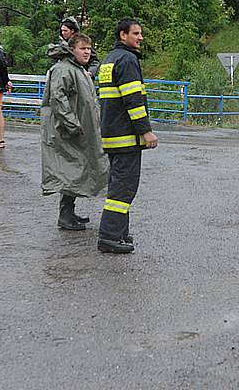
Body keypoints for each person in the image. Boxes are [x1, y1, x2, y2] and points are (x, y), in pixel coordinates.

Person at [97, 18, 158, 254]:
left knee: (118, 185)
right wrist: (146, 131)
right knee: (123, 189)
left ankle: (120, 233)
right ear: (123, 35)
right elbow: (133, 100)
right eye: (136, 33)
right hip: (126, 136)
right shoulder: (128, 60)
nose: (140, 37)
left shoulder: (109, 60)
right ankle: (109, 237)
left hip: (112, 134)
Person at [41, 34, 108, 231]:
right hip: (68, 131)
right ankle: (65, 215)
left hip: (79, 129)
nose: (87, 52)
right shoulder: (63, 69)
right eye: (82, 48)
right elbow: (58, 99)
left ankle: (69, 212)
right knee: (70, 170)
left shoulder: (78, 70)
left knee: (76, 170)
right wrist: (72, 124)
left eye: (89, 48)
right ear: (72, 50)